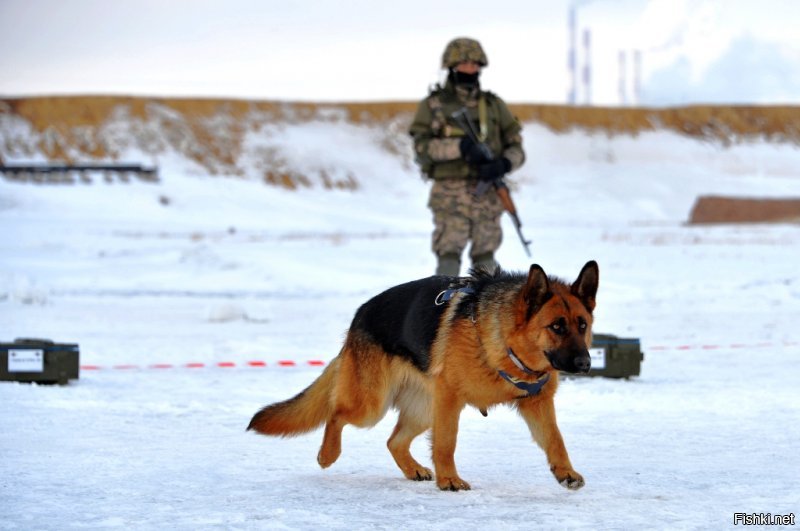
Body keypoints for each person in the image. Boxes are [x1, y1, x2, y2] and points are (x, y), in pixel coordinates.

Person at [409, 37, 525, 276]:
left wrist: (503, 164)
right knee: (449, 255)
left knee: (486, 258)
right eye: (464, 64)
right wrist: (459, 148)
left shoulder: (493, 106)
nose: (470, 69)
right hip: (450, 192)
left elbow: (517, 147)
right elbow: (421, 148)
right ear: (451, 66)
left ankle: (487, 310)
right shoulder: (433, 106)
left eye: (475, 64)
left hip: (488, 194)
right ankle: (440, 307)